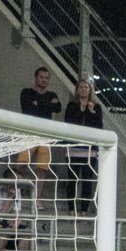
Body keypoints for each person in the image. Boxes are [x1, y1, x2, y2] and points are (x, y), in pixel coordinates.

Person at [18, 67, 61, 208]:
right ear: (36, 77)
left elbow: (57, 107)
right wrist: (46, 105)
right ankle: (15, 193)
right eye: (42, 77)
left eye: (47, 78)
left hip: (44, 135)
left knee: (42, 168)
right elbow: (28, 109)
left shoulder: (52, 94)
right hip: (29, 132)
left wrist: (39, 103)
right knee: (22, 163)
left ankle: (37, 198)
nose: (44, 80)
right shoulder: (26, 92)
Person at [63, 78, 102, 214]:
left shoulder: (96, 107)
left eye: (86, 87)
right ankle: (71, 208)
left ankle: (84, 209)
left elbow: (98, 127)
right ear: (77, 90)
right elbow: (69, 123)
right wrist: (81, 110)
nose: (84, 90)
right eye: (81, 87)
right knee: (72, 180)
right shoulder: (72, 106)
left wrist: (91, 112)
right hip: (73, 149)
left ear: (90, 90)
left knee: (87, 181)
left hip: (89, 151)